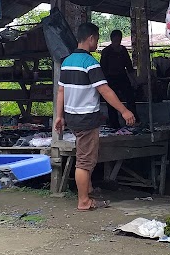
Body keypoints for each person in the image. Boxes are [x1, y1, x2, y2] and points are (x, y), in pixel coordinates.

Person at [55, 23, 136, 211]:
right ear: (91, 38)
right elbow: (104, 90)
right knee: (85, 161)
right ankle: (84, 201)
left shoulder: (67, 62)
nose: (97, 42)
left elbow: (61, 91)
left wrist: (60, 116)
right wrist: (123, 110)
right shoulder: (90, 63)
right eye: (97, 39)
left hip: (72, 117)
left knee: (84, 155)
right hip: (86, 119)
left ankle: (88, 188)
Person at [100, 30, 137, 130]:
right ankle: (114, 124)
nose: (117, 42)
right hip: (110, 78)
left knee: (130, 98)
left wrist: (134, 80)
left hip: (122, 76)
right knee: (111, 101)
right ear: (112, 40)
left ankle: (134, 120)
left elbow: (129, 66)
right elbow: (102, 68)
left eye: (119, 40)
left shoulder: (123, 50)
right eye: (116, 40)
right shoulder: (106, 51)